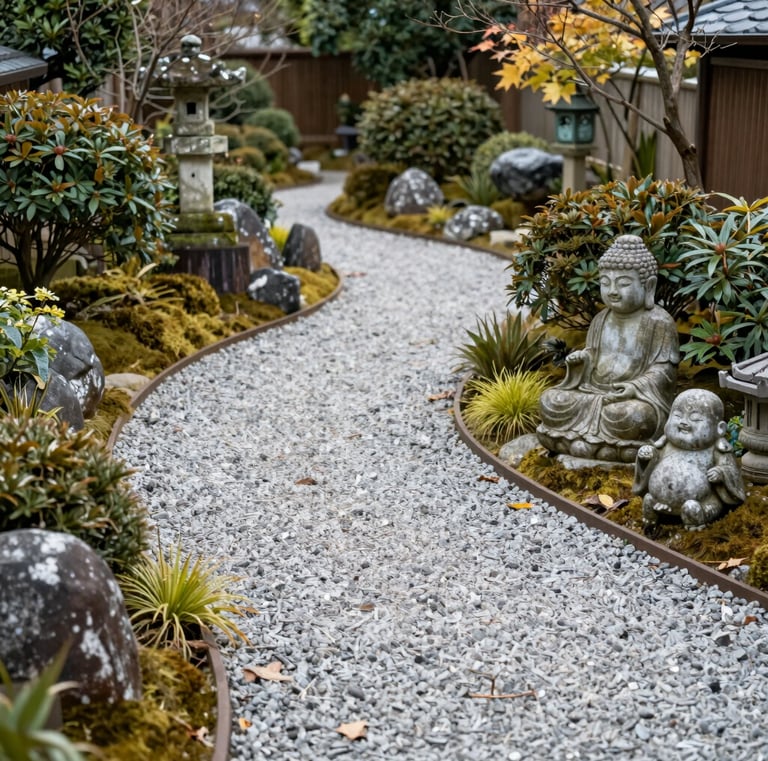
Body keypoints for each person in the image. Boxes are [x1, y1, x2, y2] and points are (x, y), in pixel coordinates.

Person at [537, 234, 679, 462]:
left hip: (629, 400)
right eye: (605, 283)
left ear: (649, 286)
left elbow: (664, 371)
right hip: (592, 392)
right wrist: (582, 360)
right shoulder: (601, 319)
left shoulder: (659, 322)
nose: (613, 291)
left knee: (634, 416)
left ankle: (574, 442)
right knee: (550, 400)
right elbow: (593, 354)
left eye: (623, 284)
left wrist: (634, 387)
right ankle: (601, 445)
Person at [633, 389, 745, 530]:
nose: (684, 422)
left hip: (702, 502)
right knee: (648, 499)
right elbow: (649, 464)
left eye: (696, 419)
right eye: (678, 416)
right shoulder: (665, 444)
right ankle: (653, 514)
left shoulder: (717, 450)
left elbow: (731, 472)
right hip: (658, 500)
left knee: (694, 508)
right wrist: (646, 458)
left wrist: (721, 473)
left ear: (720, 429)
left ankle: (695, 520)